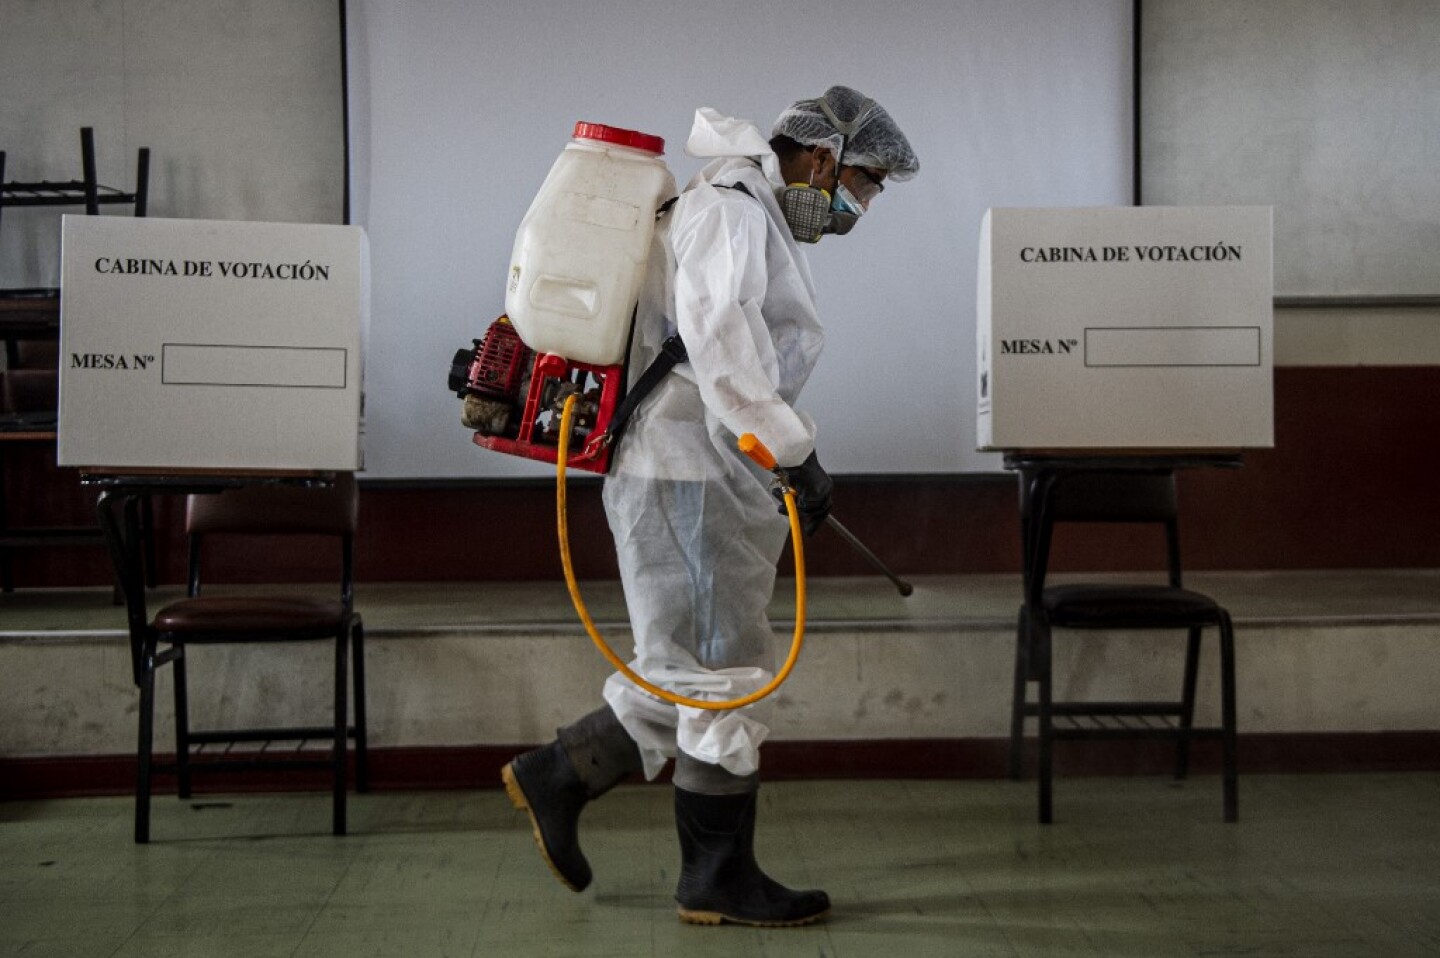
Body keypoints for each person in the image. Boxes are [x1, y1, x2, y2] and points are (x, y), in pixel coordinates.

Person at [502, 85, 918, 928]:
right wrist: (795, 454)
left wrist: (785, 455)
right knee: (719, 677)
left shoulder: (741, 205)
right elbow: (724, 354)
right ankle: (715, 879)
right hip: (689, 468)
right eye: (865, 184)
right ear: (822, 157)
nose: (859, 206)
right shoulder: (730, 209)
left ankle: (561, 774)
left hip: (703, 464)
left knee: (687, 662)